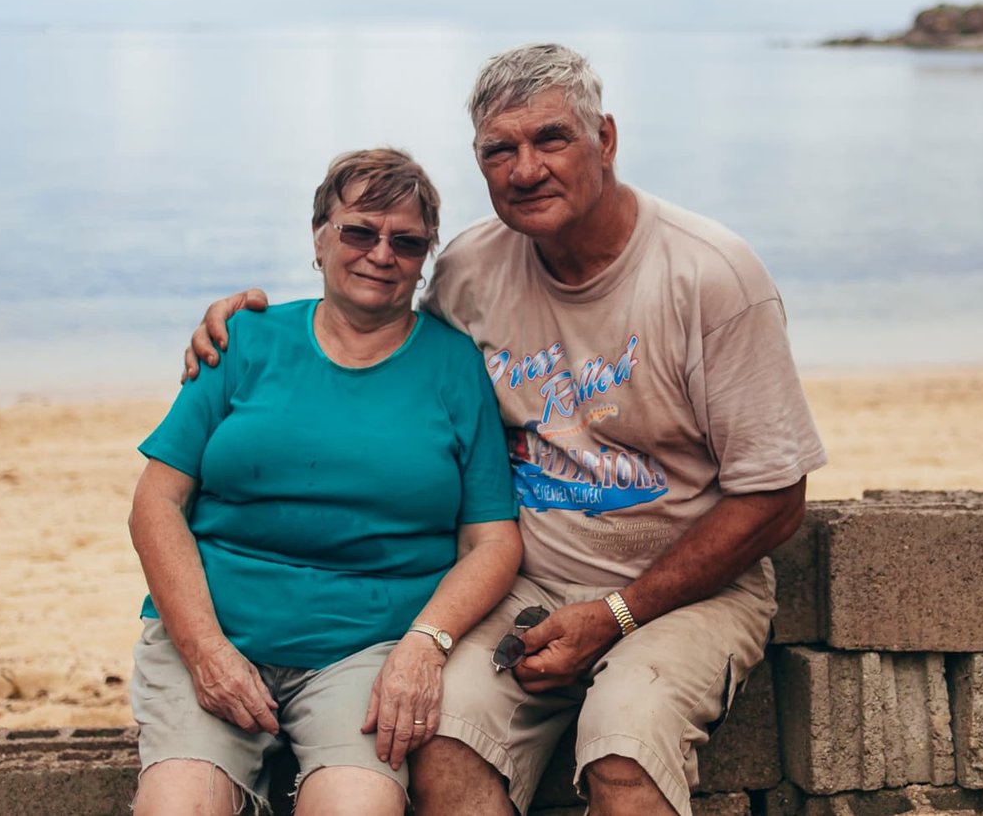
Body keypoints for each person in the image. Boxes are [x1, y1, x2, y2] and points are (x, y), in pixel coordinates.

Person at [186, 45, 827, 816]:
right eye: (500, 149)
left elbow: (776, 497)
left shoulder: (711, 274)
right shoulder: (468, 271)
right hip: (527, 581)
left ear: (607, 140)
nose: (525, 169)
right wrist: (253, 324)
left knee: (626, 746)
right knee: (435, 739)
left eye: (551, 139)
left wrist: (617, 615)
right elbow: (382, 355)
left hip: (684, 588)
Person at [132, 148, 522, 816]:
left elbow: (493, 541)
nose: (381, 253)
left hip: (365, 651)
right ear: (319, 236)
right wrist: (205, 651)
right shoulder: (245, 340)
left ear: (426, 257)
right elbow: (155, 503)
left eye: (406, 241)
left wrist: (425, 644)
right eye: (359, 230)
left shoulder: (453, 363)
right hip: (213, 632)